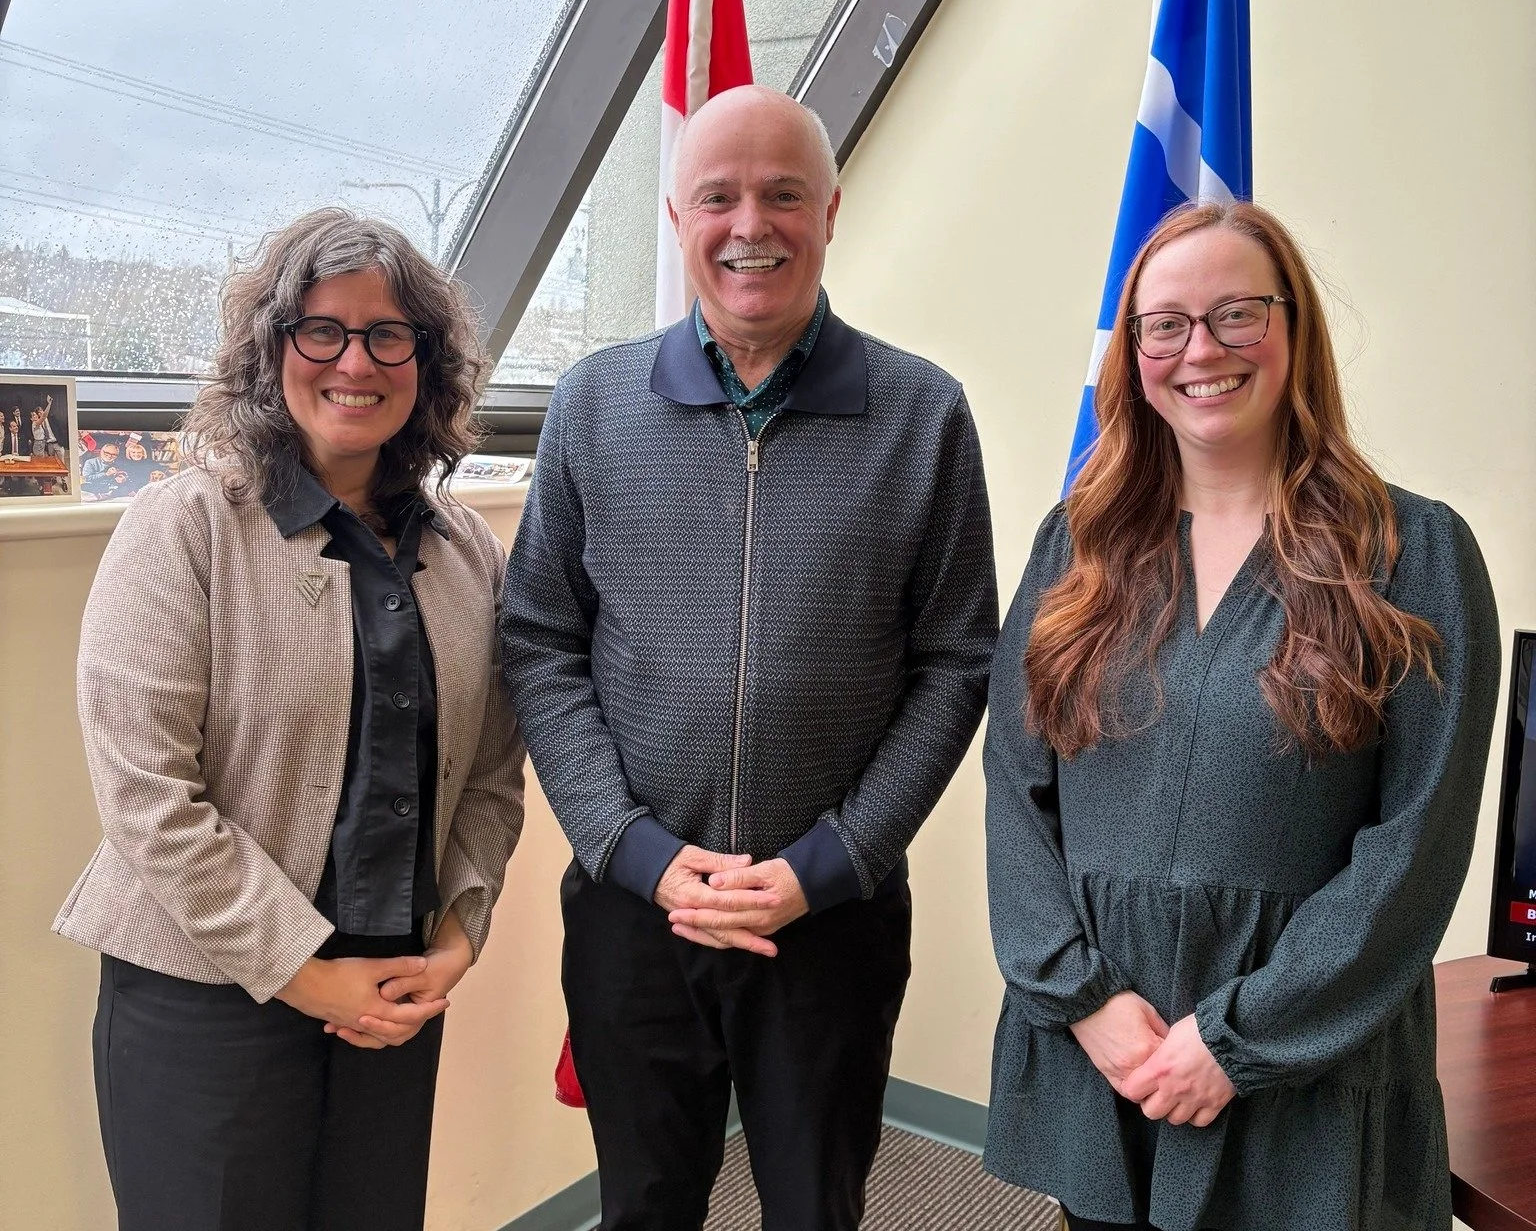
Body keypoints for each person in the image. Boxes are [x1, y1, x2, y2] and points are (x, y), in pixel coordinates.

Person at [500, 85, 998, 1231]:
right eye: (717, 197)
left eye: (782, 195)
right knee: (646, 1208)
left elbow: (957, 660)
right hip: (638, 913)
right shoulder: (590, 406)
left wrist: (832, 863)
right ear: (678, 219)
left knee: (816, 1211)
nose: (750, 226)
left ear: (831, 211)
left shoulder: (924, 415)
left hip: (828, 918)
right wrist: (631, 848)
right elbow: (540, 641)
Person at [983, 201, 1500, 1231]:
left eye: (1237, 315)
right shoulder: (1075, 548)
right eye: (1164, 324)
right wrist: (1083, 1001)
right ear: (1133, 357)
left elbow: (1417, 845)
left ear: (1294, 329)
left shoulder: (1414, 554)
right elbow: (1015, 791)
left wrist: (1236, 1039)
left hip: (1305, 1057)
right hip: (1113, 1053)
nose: (1200, 350)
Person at [55, 208, 527, 1231]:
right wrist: (306, 977)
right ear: (272, 350)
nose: (355, 360)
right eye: (322, 329)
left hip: (393, 994)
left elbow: (493, 769)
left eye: (388, 334)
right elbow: (149, 801)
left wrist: (459, 933)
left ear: (427, 362)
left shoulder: (466, 551)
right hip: (207, 999)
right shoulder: (181, 530)